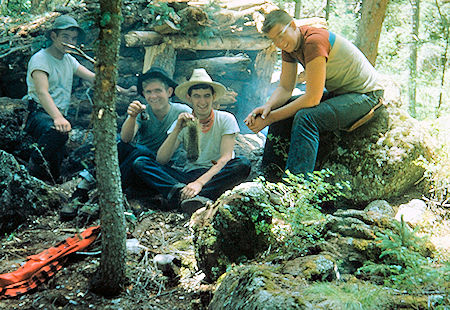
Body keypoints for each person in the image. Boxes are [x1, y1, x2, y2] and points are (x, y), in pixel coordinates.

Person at [244, 10, 384, 179]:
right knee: (283, 107)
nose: (279, 43)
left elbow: (312, 98)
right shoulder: (290, 46)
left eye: (281, 35)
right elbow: (285, 88)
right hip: (342, 94)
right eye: (274, 40)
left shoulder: (314, 42)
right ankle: (269, 175)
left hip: (366, 95)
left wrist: (271, 118)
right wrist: (268, 107)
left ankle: (296, 187)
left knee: (306, 118)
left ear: (293, 25)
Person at [60, 67, 192, 220]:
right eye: (148, 92)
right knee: (129, 149)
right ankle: (89, 193)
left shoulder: (181, 111)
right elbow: (126, 139)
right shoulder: (144, 111)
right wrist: (131, 116)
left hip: (158, 170)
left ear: (169, 92)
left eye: (158, 91)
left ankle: (87, 191)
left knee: (140, 152)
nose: (153, 96)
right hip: (135, 168)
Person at [24, 15, 134, 183]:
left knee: (57, 161)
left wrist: (123, 92)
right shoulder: (40, 59)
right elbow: (42, 93)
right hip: (38, 113)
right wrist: (58, 118)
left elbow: (95, 79)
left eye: (73, 38)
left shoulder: (69, 60)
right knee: (56, 132)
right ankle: (32, 168)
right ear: (53, 36)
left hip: (58, 115)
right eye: (65, 37)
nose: (70, 42)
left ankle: (51, 184)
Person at [132, 68, 251, 214]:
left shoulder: (226, 118)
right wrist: (177, 129)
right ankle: (186, 195)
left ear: (213, 97)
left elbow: (225, 158)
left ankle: (185, 197)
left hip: (215, 174)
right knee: (141, 163)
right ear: (189, 98)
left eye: (207, 96)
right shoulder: (184, 120)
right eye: (197, 96)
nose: (202, 101)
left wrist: (199, 183)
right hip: (187, 176)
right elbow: (161, 159)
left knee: (242, 164)